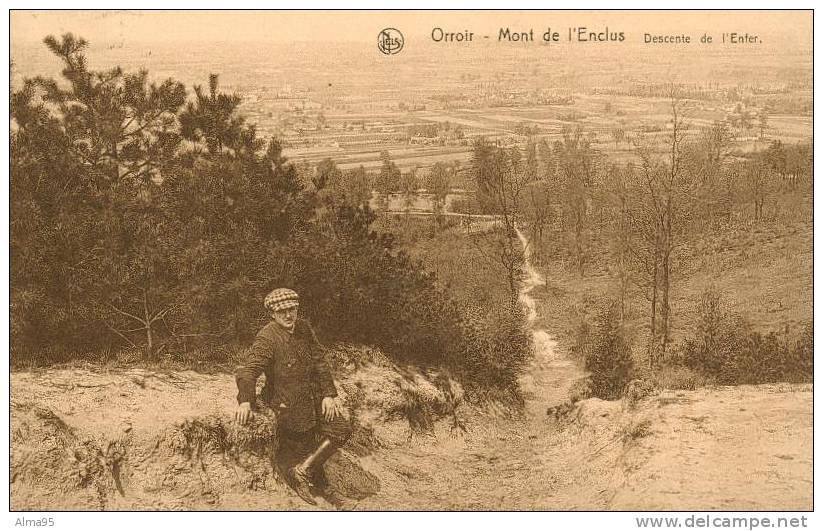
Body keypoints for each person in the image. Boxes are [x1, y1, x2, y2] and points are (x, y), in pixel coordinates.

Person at [234, 287, 352, 505]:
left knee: (341, 429)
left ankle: (304, 470)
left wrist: (328, 394)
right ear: (273, 314)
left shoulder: (304, 328)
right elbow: (248, 371)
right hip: (285, 401)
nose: (289, 315)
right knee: (304, 442)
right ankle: (323, 488)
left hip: (313, 396)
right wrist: (245, 401)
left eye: (292, 309)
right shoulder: (267, 337)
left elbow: (320, 361)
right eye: (282, 312)